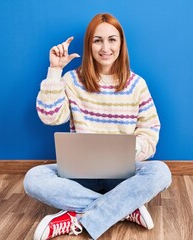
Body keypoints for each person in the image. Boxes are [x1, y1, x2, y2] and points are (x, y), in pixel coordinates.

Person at [23, 13, 172, 240]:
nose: (105, 47)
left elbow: (150, 132)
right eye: (97, 40)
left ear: (121, 44)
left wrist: (131, 149)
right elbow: (49, 117)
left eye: (112, 39)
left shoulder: (137, 85)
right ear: (89, 45)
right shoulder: (72, 80)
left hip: (123, 176)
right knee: (33, 178)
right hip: (80, 175)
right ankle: (123, 209)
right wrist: (54, 71)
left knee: (161, 172)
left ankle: (76, 217)